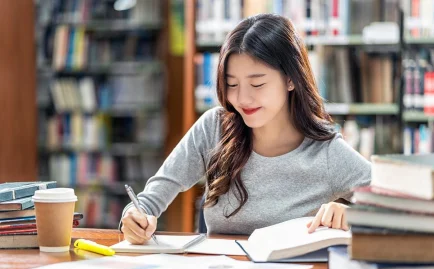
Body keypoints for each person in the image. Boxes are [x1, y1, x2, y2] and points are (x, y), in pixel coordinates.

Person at [120, 13, 371, 244]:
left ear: (291, 79)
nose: (242, 99)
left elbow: (400, 209)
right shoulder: (213, 128)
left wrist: (353, 214)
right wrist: (134, 217)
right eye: (232, 84)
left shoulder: (325, 151)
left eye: (257, 84)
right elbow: (147, 202)